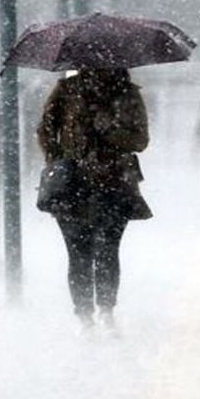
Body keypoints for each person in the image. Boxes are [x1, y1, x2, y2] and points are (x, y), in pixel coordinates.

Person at [36, 68, 152, 334]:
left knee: (108, 250)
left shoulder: (128, 94)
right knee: (78, 253)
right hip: (72, 185)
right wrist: (58, 160)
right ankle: (85, 316)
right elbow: (45, 129)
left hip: (114, 183)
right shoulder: (66, 90)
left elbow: (140, 140)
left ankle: (106, 311)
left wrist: (110, 129)